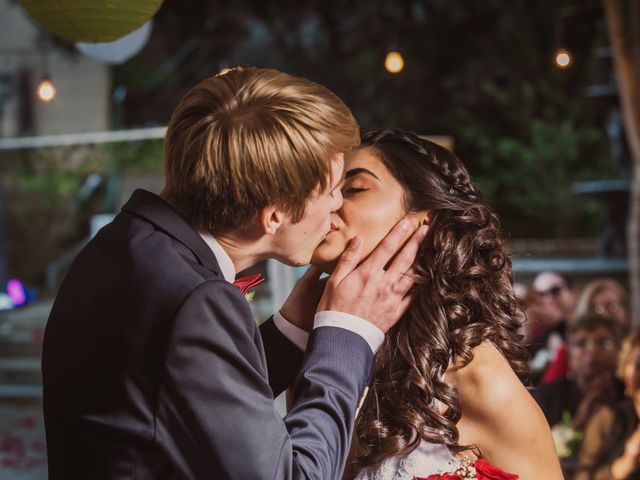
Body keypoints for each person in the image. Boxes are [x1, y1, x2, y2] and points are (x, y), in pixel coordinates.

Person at [41, 68, 427, 479]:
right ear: (274, 214)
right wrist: (346, 334)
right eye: (333, 189)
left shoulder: (124, 241)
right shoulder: (198, 300)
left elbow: (178, 394)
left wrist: (288, 331)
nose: (338, 207)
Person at [303, 129, 561, 479]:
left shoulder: (480, 380)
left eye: (354, 189)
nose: (330, 203)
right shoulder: (322, 357)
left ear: (425, 221)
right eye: (327, 191)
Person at [575, 330, 640, 480]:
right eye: (639, 365)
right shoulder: (608, 418)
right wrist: (626, 463)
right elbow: (582, 476)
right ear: (624, 370)